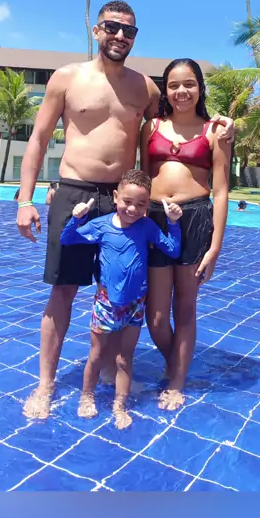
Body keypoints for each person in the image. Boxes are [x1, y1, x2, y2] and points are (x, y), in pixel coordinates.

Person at [16, 0, 235, 420]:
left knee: (123, 290)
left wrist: (226, 126)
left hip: (126, 202)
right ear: (96, 30)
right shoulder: (67, 78)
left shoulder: (146, 89)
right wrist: (25, 199)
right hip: (76, 192)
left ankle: (109, 373)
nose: (120, 36)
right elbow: (39, 139)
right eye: (112, 27)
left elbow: (180, 122)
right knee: (62, 291)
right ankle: (45, 385)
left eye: (129, 31)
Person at [141, 58, 231, 411]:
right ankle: (176, 363)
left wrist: (215, 248)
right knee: (156, 317)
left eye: (189, 84)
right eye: (174, 85)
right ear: (165, 90)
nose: (182, 91)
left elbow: (221, 191)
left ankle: (177, 381)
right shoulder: (150, 127)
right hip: (155, 218)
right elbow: (143, 177)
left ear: (200, 88)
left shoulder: (215, 131)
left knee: (185, 307)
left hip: (195, 219)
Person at [60, 170, 182, 429]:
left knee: (125, 358)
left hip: (135, 304)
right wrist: (77, 218)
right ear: (116, 197)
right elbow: (67, 238)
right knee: (96, 355)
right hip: (106, 303)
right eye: (127, 201)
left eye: (141, 204)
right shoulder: (101, 225)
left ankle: (120, 405)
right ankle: (87, 396)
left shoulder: (147, 227)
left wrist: (173, 223)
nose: (133, 209)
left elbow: (172, 249)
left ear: (148, 205)